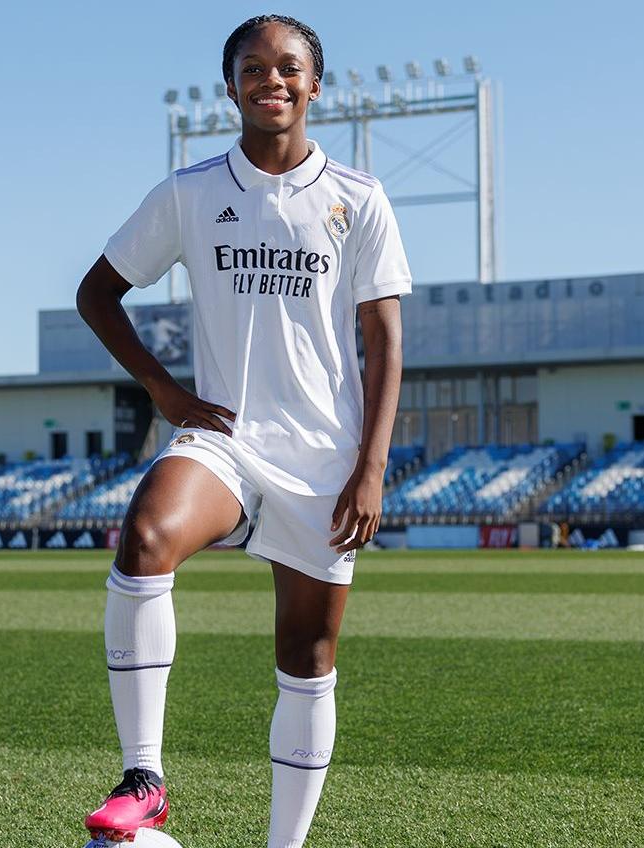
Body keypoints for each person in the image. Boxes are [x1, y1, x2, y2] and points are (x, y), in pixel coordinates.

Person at [72, 14, 410, 846]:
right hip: (224, 440)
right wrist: (162, 388)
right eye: (253, 67)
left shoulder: (357, 199)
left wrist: (370, 467)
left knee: (308, 658)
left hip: (325, 462)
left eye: (289, 67)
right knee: (147, 533)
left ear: (315, 84)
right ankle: (143, 777)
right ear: (230, 87)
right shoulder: (190, 193)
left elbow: (385, 341)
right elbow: (97, 292)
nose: (273, 80)